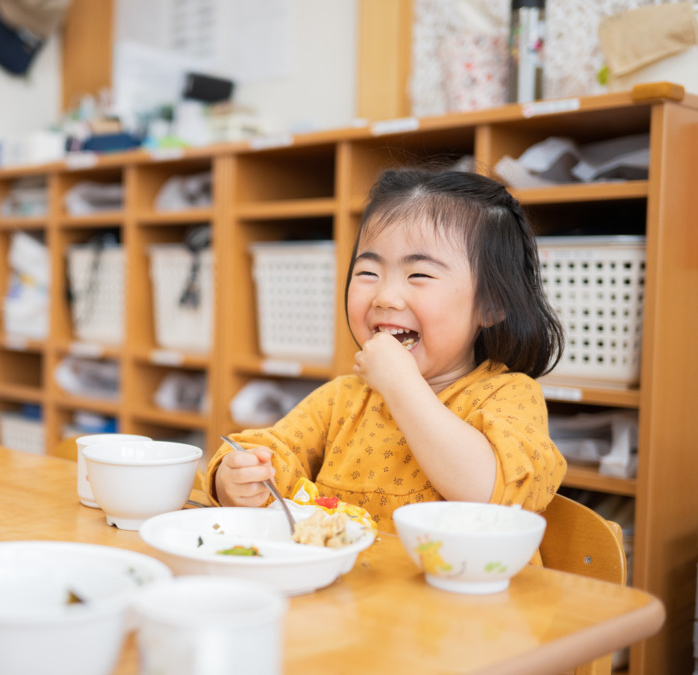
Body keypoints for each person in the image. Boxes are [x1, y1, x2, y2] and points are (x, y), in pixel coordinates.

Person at [208, 168, 568, 532]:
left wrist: (401, 384)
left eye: (419, 276)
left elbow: (490, 492)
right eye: (368, 273)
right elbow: (274, 452)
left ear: (490, 306)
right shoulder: (342, 399)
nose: (385, 297)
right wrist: (237, 478)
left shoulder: (510, 396)